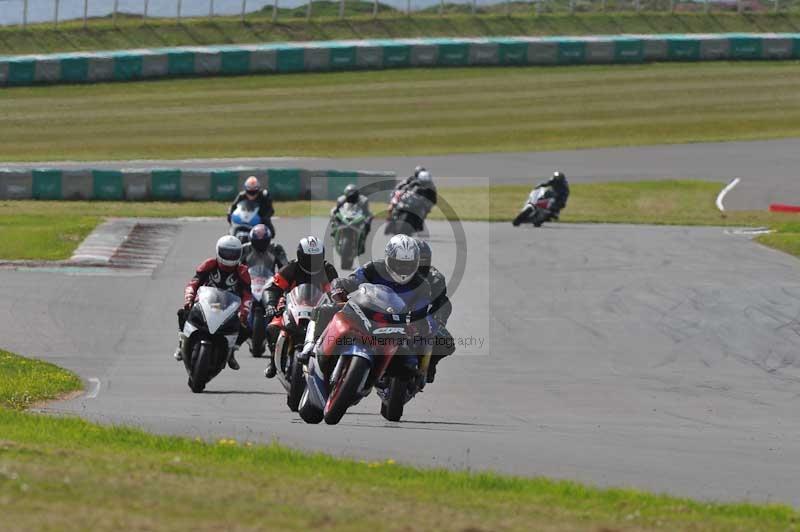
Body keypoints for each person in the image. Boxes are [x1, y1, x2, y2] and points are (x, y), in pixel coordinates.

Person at [327, 235, 434, 379]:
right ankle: (310, 347)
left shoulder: (422, 285)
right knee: (326, 310)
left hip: (396, 329)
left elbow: (422, 311)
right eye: (399, 263)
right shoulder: (373, 268)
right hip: (365, 316)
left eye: (408, 265)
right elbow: (351, 281)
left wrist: (420, 324)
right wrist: (340, 288)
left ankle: (418, 375)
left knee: (410, 364)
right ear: (388, 258)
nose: (403, 269)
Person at [262, 236, 339, 379]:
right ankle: (273, 360)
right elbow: (273, 288)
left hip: (319, 309)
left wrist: (339, 304)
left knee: (335, 335)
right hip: (291, 306)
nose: (312, 262)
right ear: (300, 255)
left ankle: (330, 369)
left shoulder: (327, 269)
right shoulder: (291, 268)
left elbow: (336, 291)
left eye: (316, 258)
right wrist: (271, 304)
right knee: (273, 327)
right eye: (308, 258)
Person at [174, 235, 252, 371]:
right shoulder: (209, 264)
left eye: (232, 254)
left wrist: (243, 312)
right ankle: (181, 343)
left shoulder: (242, 272)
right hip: (205, 303)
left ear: (239, 254)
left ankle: (231, 351)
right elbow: (194, 283)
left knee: (247, 328)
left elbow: (247, 295)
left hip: (228, 308)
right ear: (218, 251)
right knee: (183, 312)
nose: (229, 257)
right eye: (226, 253)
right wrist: (189, 298)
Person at [415, 239, 455, 383]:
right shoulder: (391, 271)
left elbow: (442, 303)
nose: (420, 263)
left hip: (421, 318)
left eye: (424, 259)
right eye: (417, 259)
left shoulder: (435, 278)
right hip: (393, 315)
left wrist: (438, 322)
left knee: (446, 342)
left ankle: (430, 363)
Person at [330, 184, 373, 254]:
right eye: (349, 196)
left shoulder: (363, 200)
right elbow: (336, 210)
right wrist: (334, 215)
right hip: (345, 216)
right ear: (346, 194)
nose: (351, 198)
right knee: (334, 218)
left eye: (353, 196)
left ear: (357, 194)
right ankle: (334, 233)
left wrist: (367, 219)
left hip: (357, 216)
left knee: (367, 224)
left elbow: (367, 212)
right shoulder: (341, 199)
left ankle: (362, 241)